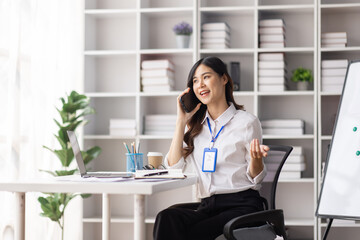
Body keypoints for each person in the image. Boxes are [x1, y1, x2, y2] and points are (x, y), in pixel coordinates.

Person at [153, 56, 269, 240]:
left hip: (242, 205)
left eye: (206, 77)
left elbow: (255, 179)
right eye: (195, 81)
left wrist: (256, 159)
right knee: (167, 218)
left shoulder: (247, 122)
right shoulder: (195, 126)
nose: (200, 85)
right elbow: (173, 167)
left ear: (224, 79)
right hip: (208, 206)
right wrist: (181, 121)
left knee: (195, 233)